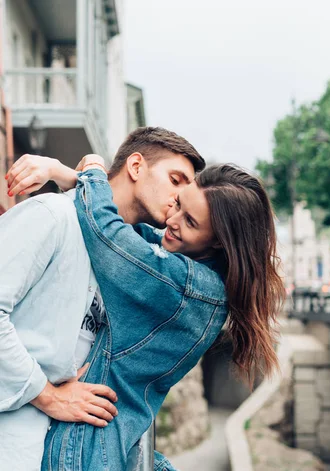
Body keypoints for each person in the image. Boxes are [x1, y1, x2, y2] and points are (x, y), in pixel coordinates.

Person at [7, 153, 285, 470]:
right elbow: (132, 230)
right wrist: (69, 175)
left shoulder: (186, 286)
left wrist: (94, 169)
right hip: (106, 445)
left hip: (82, 447)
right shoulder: (197, 269)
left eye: (190, 221)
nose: (172, 220)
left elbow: (109, 235)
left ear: (220, 243)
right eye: (179, 203)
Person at [0, 126, 204, 470]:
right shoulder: (53, 216)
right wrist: (48, 396)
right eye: (175, 180)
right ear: (136, 167)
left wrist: (68, 174)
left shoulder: (129, 259)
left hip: (60, 451)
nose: (178, 199)